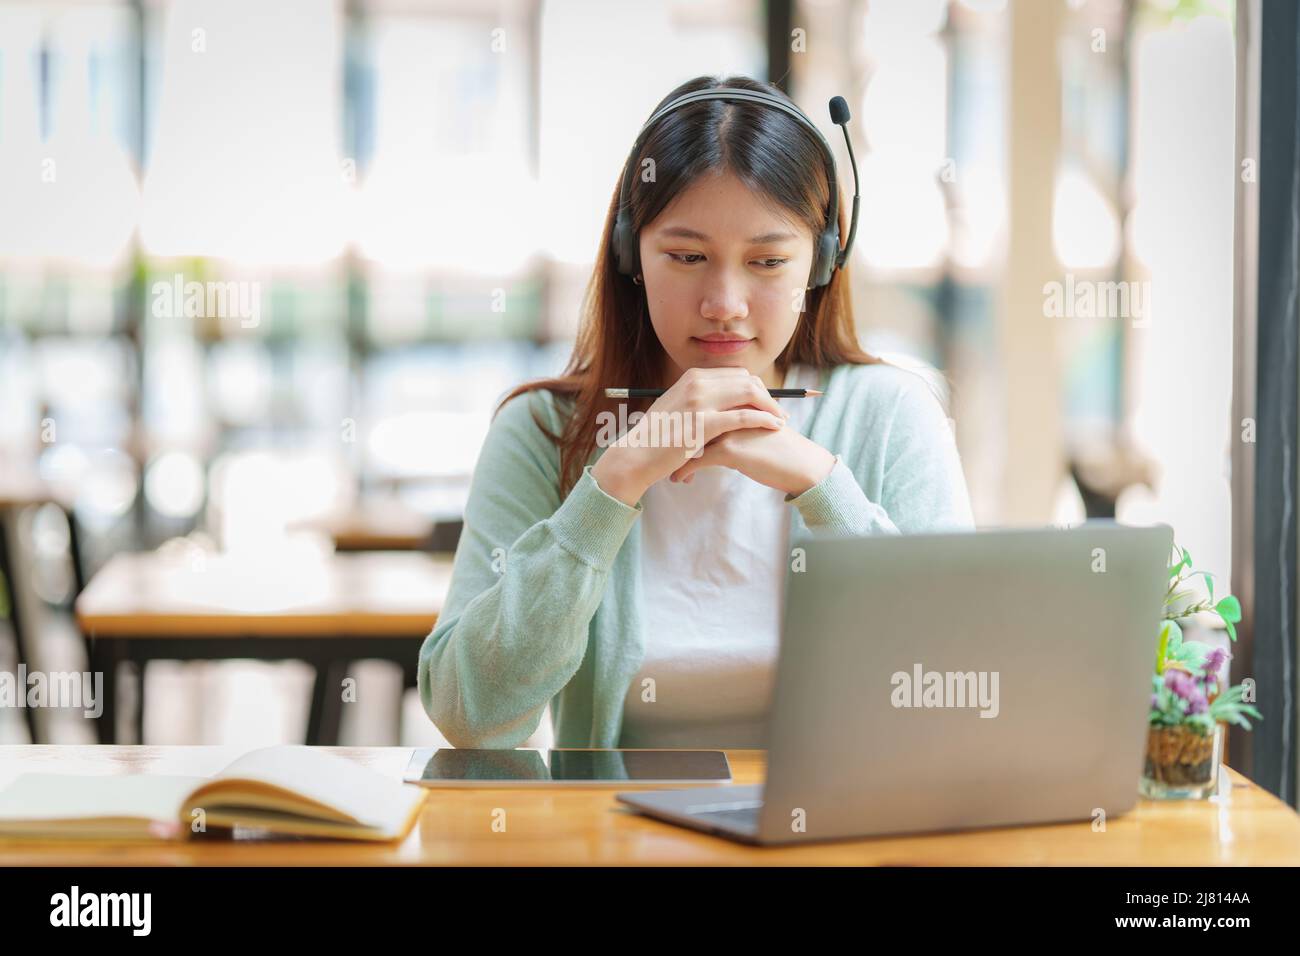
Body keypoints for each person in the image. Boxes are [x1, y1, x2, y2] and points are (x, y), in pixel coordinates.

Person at [418, 74, 975, 750]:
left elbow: (958, 687)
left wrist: (824, 487)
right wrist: (612, 484)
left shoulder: (890, 415)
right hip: (613, 842)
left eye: (768, 261)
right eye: (686, 256)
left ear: (821, 263)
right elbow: (470, 714)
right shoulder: (543, 431)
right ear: (632, 255)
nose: (724, 302)